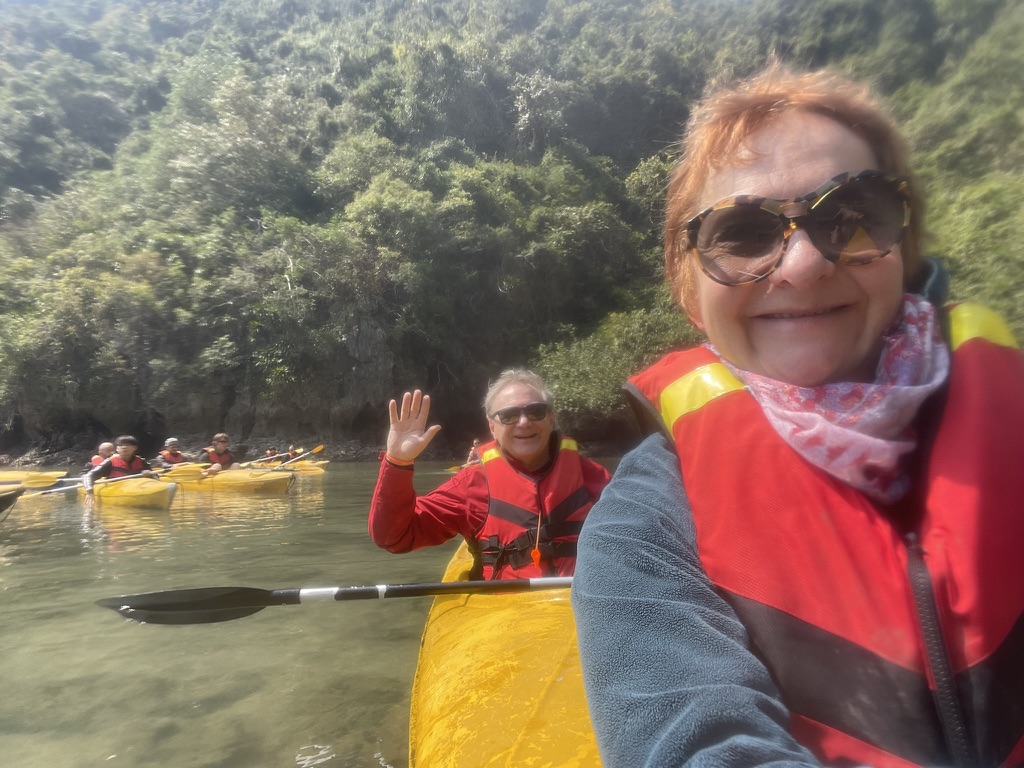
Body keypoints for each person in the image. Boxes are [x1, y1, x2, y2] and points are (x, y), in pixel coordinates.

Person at [571, 62, 1024, 768]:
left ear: (903, 248)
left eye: (853, 214)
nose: (804, 263)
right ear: (688, 290)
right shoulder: (643, 525)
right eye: (743, 232)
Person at [368, 369, 612, 580]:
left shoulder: (594, 479)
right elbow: (393, 537)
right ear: (492, 427)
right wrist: (398, 462)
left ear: (551, 418)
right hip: (504, 612)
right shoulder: (471, 485)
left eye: (536, 411)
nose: (524, 422)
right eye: (509, 416)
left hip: (579, 606)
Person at [83, 435, 159, 494]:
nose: (124, 447)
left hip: (137, 487)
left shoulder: (141, 461)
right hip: (115, 488)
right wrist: (90, 492)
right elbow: (89, 476)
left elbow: (156, 477)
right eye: (121, 445)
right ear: (117, 449)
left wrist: (150, 475)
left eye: (127, 445)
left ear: (135, 447)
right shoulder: (110, 462)